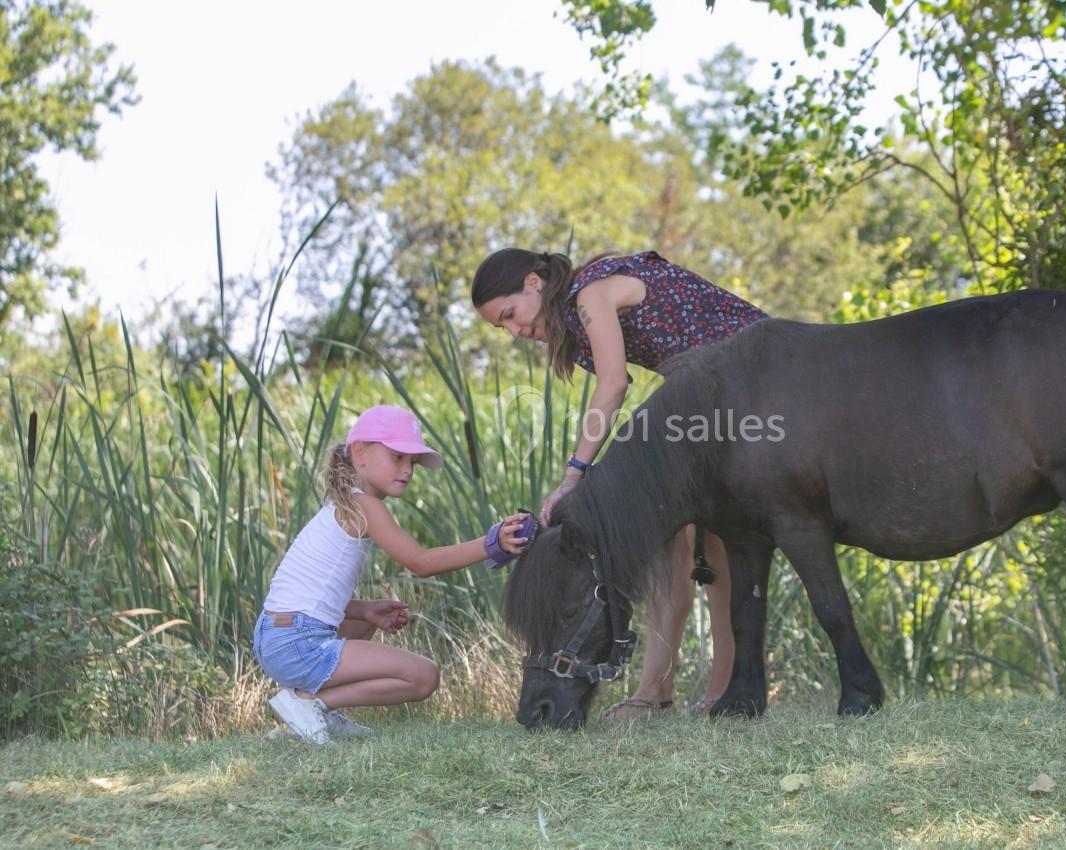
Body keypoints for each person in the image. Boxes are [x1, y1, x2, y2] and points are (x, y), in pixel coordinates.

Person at [472, 249, 768, 718]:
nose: (514, 332)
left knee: (708, 545)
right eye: (501, 327)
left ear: (532, 283)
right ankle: (654, 693)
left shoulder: (590, 294)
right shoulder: (578, 316)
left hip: (753, 381)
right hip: (710, 391)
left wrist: (574, 474)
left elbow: (613, 384)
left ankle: (721, 690)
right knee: (672, 542)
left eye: (509, 315)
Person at [254, 404, 530, 744]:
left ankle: (309, 708)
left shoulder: (343, 505)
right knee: (423, 676)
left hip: (276, 635)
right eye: (397, 457)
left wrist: (365, 611)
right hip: (297, 642)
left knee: (367, 624)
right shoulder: (365, 505)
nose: (408, 470)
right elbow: (420, 562)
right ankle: (311, 704)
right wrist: (491, 543)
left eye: (412, 462)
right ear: (360, 453)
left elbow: (304, 595)